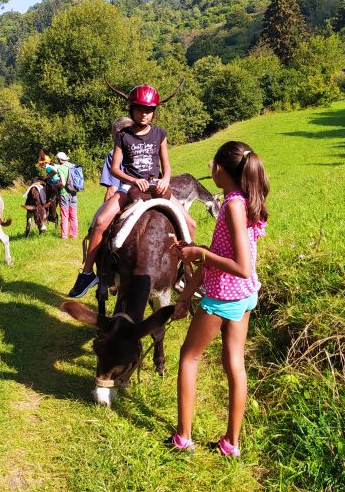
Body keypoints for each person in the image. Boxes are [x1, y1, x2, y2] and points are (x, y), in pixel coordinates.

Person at [167, 141, 269, 456]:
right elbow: (219, 255)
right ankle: (231, 444)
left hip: (225, 296)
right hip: (245, 296)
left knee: (189, 356)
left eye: (213, 163)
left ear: (222, 170)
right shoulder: (241, 200)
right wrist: (186, 292)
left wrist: (197, 252)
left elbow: (240, 266)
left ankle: (183, 437)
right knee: (234, 364)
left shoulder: (232, 206)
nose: (209, 167)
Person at [68, 84, 195, 298]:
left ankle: (184, 273)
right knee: (100, 223)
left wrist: (165, 179)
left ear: (154, 111)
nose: (144, 114)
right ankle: (88, 273)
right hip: (130, 186)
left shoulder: (160, 134)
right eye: (139, 109)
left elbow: (167, 165)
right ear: (131, 109)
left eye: (148, 110)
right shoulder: (123, 135)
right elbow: (116, 169)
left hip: (156, 186)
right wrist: (134, 180)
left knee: (191, 224)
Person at [100, 117, 134, 202]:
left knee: (101, 215)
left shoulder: (113, 154)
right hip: (151, 190)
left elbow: (112, 189)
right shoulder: (146, 148)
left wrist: (104, 208)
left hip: (128, 195)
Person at [54, 151, 78, 239]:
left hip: (64, 193)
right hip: (73, 192)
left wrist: (56, 185)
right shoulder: (73, 166)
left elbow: (63, 183)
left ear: (60, 159)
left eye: (57, 159)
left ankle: (64, 236)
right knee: (73, 214)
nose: (57, 161)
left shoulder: (61, 168)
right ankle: (74, 234)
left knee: (64, 214)